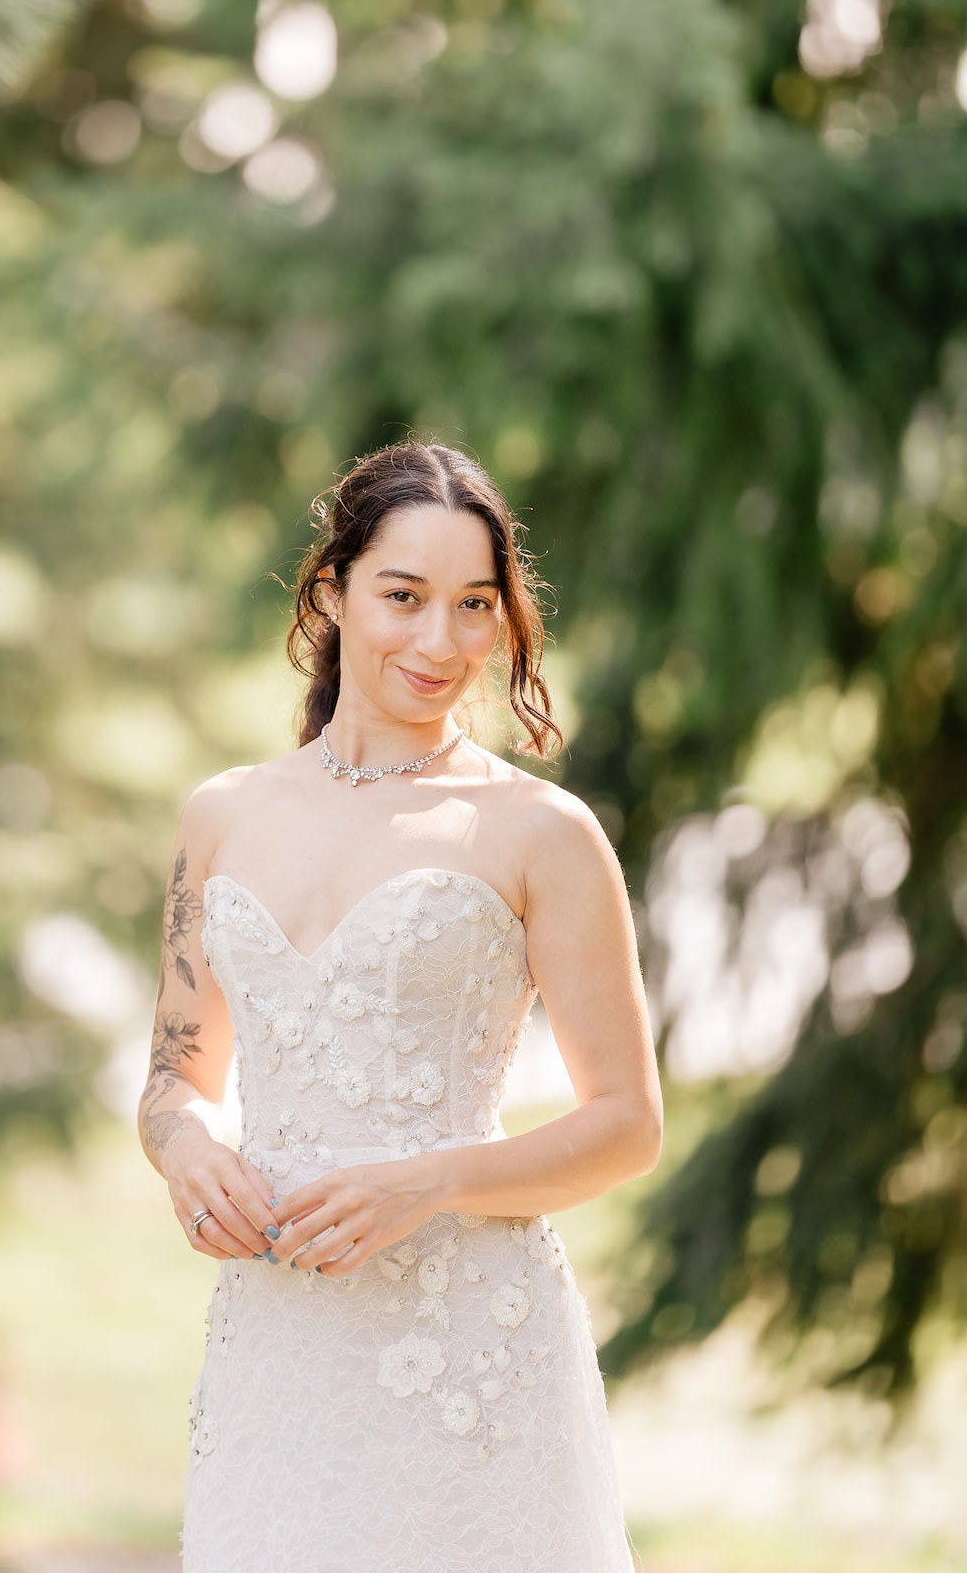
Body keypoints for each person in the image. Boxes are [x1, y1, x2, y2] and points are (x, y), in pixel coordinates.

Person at [138, 438, 662, 1571]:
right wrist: (187, 1151)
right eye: (404, 596)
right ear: (332, 593)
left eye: (474, 605)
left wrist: (432, 1179)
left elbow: (628, 1124)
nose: (440, 642)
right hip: (276, 1347)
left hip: (468, 1351)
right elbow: (174, 1077)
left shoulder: (541, 832)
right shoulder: (221, 815)